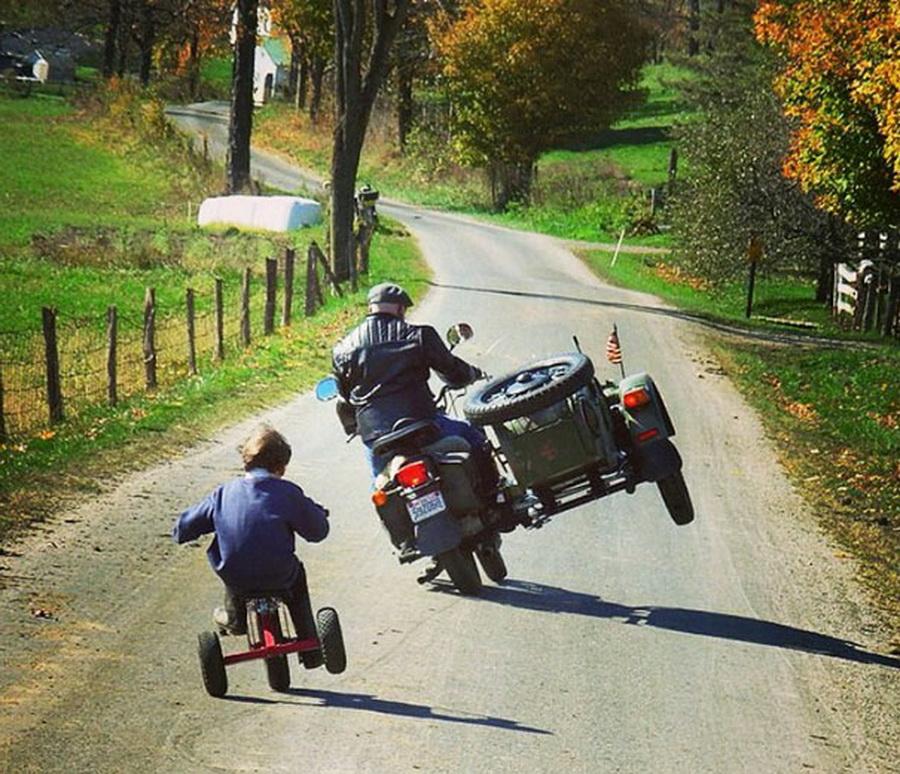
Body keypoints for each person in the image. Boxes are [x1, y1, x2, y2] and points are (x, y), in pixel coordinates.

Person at [173, 424, 329, 666]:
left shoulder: (223, 494)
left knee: (235, 570)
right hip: (280, 574)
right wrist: (319, 516)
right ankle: (310, 645)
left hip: (236, 575)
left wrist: (180, 531)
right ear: (281, 467)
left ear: (245, 461)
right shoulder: (287, 493)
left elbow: (187, 526)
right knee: (297, 579)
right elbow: (317, 531)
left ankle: (235, 619)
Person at [331, 282, 494, 483]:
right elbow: (453, 371)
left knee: (380, 484)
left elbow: (345, 398)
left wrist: (355, 425)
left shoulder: (342, 350)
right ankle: (495, 497)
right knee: (475, 437)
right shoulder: (419, 335)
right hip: (423, 426)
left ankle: (387, 509)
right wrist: (472, 373)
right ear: (400, 308)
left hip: (378, 438)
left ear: (370, 308)